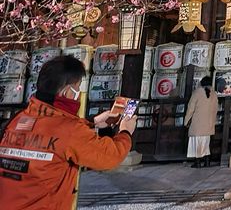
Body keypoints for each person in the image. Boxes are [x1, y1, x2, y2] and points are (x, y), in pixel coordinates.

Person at [0, 55, 136, 210]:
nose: (79, 93)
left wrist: (93, 122)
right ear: (66, 92)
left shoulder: (17, 119)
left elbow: (54, 131)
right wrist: (125, 131)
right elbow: (109, 156)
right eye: (77, 88)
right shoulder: (70, 130)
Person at [184, 75, 219, 168]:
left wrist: (186, 120)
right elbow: (216, 109)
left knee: (197, 143)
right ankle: (207, 162)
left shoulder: (197, 92)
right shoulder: (214, 94)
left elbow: (190, 108)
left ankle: (198, 162)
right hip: (208, 124)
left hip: (197, 124)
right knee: (206, 143)